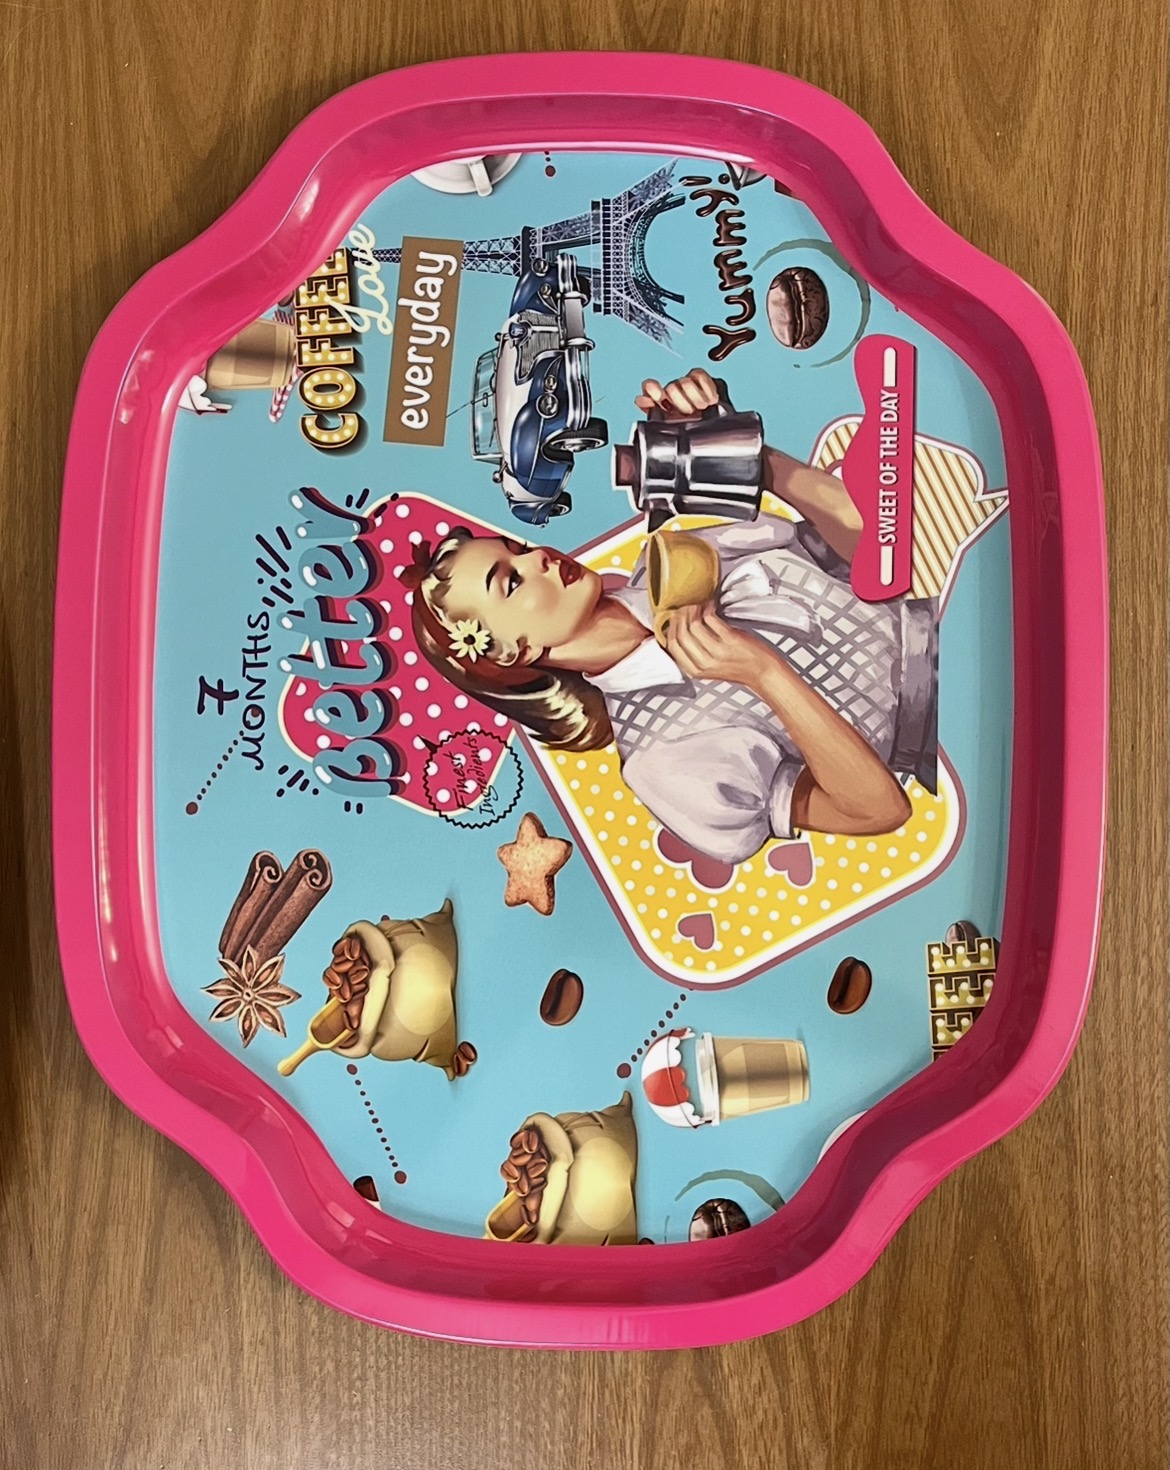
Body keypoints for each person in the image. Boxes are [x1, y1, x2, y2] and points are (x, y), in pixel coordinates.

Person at [399, 368, 938, 865]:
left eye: (517, 548)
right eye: (511, 581)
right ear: (512, 653)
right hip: (947, 731)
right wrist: (763, 673)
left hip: (950, 611)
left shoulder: (668, 555)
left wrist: (741, 456)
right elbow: (879, 811)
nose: (538, 556)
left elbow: (872, 542)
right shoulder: (659, 759)